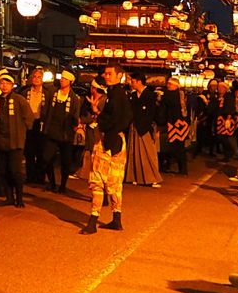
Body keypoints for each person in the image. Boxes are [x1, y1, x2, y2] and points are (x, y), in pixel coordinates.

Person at [82, 65, 132, 234]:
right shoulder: (118, 94)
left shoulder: (115, 95)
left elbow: (113, 119)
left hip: (107, 140)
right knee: (115, 181)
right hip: (118, 140)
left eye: (110, 73)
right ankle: (116, 219)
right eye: (105, 73)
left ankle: (92, 221)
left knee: (97, 180)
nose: (106, 76)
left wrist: (98, 115)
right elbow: (124, 118)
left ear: (119, 76)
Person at [0, 70, 33, 208]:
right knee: (3, 170)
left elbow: (29, 118)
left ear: (12, 85)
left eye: (7, 83)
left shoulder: (19, 100)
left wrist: (21, 131)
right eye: (2, 83)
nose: (4, 86)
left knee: (15, 171)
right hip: (0, 141)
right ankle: (9, 197)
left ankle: (19, 197)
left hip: (15, 141)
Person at [40, 70, 81, 193]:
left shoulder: (74, 98)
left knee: (65, 162)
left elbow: (75, 116)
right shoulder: (53, 92)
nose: (62, 80)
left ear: (70, 82)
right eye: (62, 78)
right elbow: (45, 110)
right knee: (46, 158)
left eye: (65, 79)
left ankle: (63, 185)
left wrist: (75, 127)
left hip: (65, 134)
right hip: (52, 131)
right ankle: (52, 182)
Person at [125, 71, 161, 188]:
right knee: (134, 152)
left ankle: (152, 178)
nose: (131, 83)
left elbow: (152, 113)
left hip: (145, 127)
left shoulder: (150, 95)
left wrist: (147, 126)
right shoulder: (133, 95)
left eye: (133, 81)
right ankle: (135, 176)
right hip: (134, 126)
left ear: (139, 82)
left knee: (148, 153)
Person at [156, 75, 190, 176]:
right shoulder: (181, 95)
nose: (168, 86)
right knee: (179, 147)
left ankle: (175, 167)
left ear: (175, 86)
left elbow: (164, 105)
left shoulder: (171, 95)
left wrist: (160, 97)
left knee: (174, 147)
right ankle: (182, 168)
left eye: (170, 84)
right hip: (182, 124)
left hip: (175, 124)